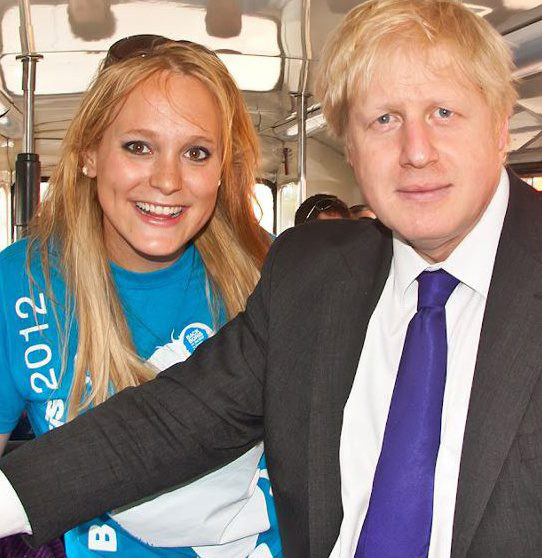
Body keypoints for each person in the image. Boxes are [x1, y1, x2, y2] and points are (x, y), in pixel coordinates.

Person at [1, 1, 540, 557]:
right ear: (351, 149)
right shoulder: (313, 273)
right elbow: (169, 423)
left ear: (502, 127)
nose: (416, 152)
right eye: (384, 119)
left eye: (444, 112)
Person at [0, 37, 282, 558]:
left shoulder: (272, 274)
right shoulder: (21, 283)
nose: (167, 180)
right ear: (89, 154)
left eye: (196, 153)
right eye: (138, 147)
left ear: (223, 170)